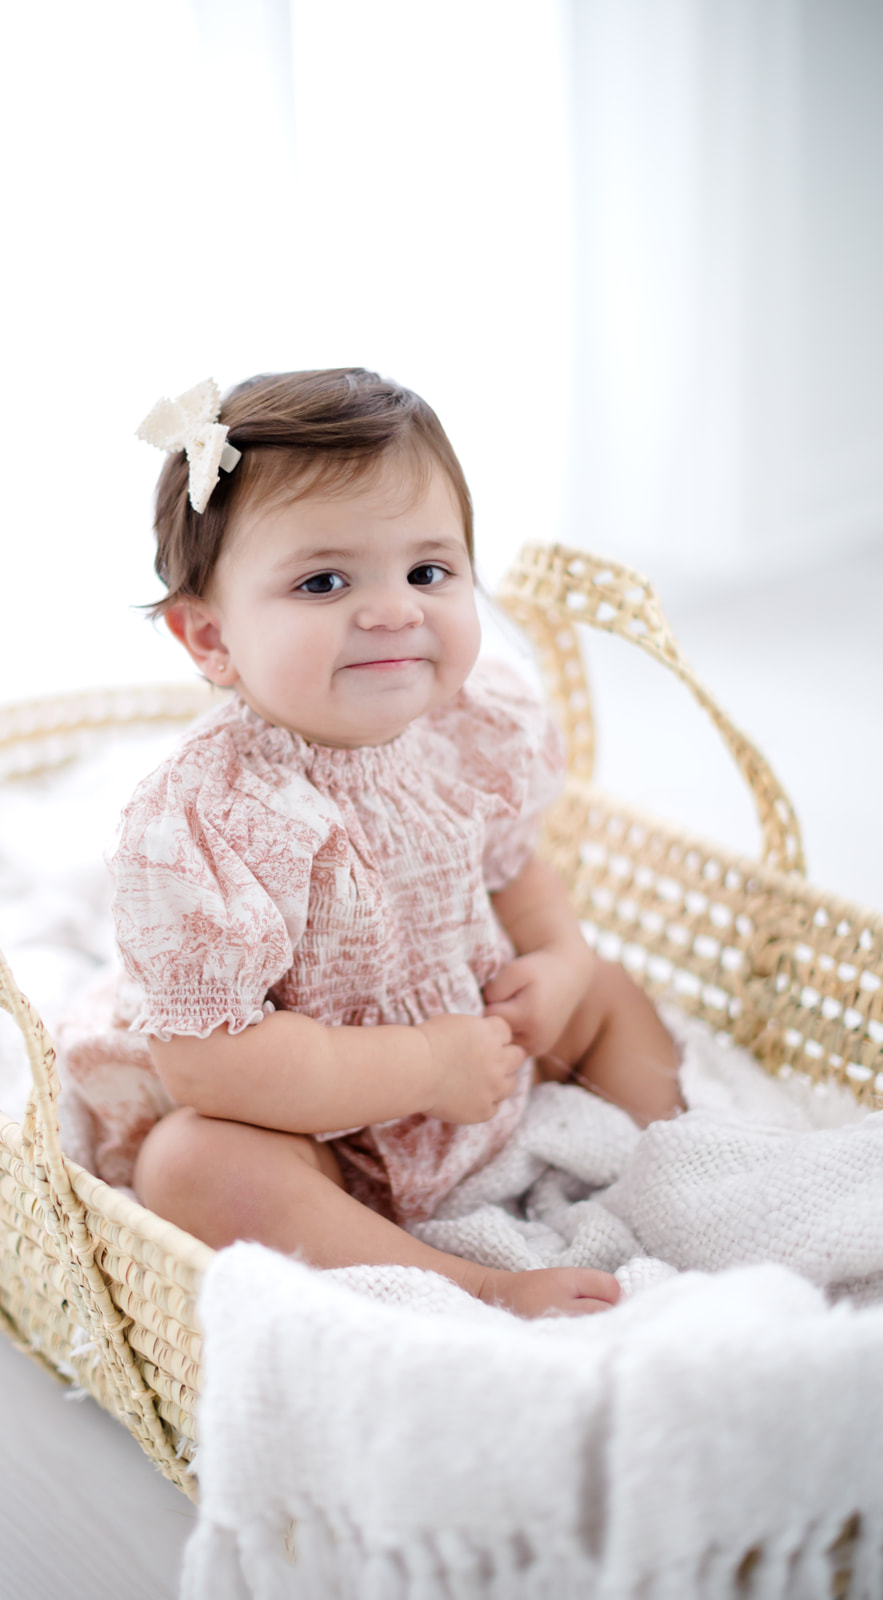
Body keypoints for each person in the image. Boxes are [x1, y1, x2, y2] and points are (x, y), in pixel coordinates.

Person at [108, 369, 682, 1320]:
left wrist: (557, 960)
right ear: (209, 637)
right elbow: (206, 1066)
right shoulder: (206, 817)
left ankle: (675, 1180)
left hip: (489, 1054)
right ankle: (477, 1288)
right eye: (324, 581)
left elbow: (511, 868)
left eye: (427, 571)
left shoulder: (472, 725)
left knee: (609, 988)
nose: (392, 611)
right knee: (190, 1162)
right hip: (321, 1129)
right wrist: (423, 1067)